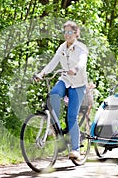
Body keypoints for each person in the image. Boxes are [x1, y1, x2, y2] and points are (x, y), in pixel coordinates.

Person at [36, 21, 89, 160]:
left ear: (76, 33)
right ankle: (58, 132)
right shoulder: (62, 48)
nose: (67, 34)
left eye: (70, 32)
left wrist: (75, 69)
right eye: (65, 32)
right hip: (65, 80)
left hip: (78, 84)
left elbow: (82, 62)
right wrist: (42, 74)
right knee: (53, 94)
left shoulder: (81, 48)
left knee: (72, 117)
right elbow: (53, 62)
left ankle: (76, 149)